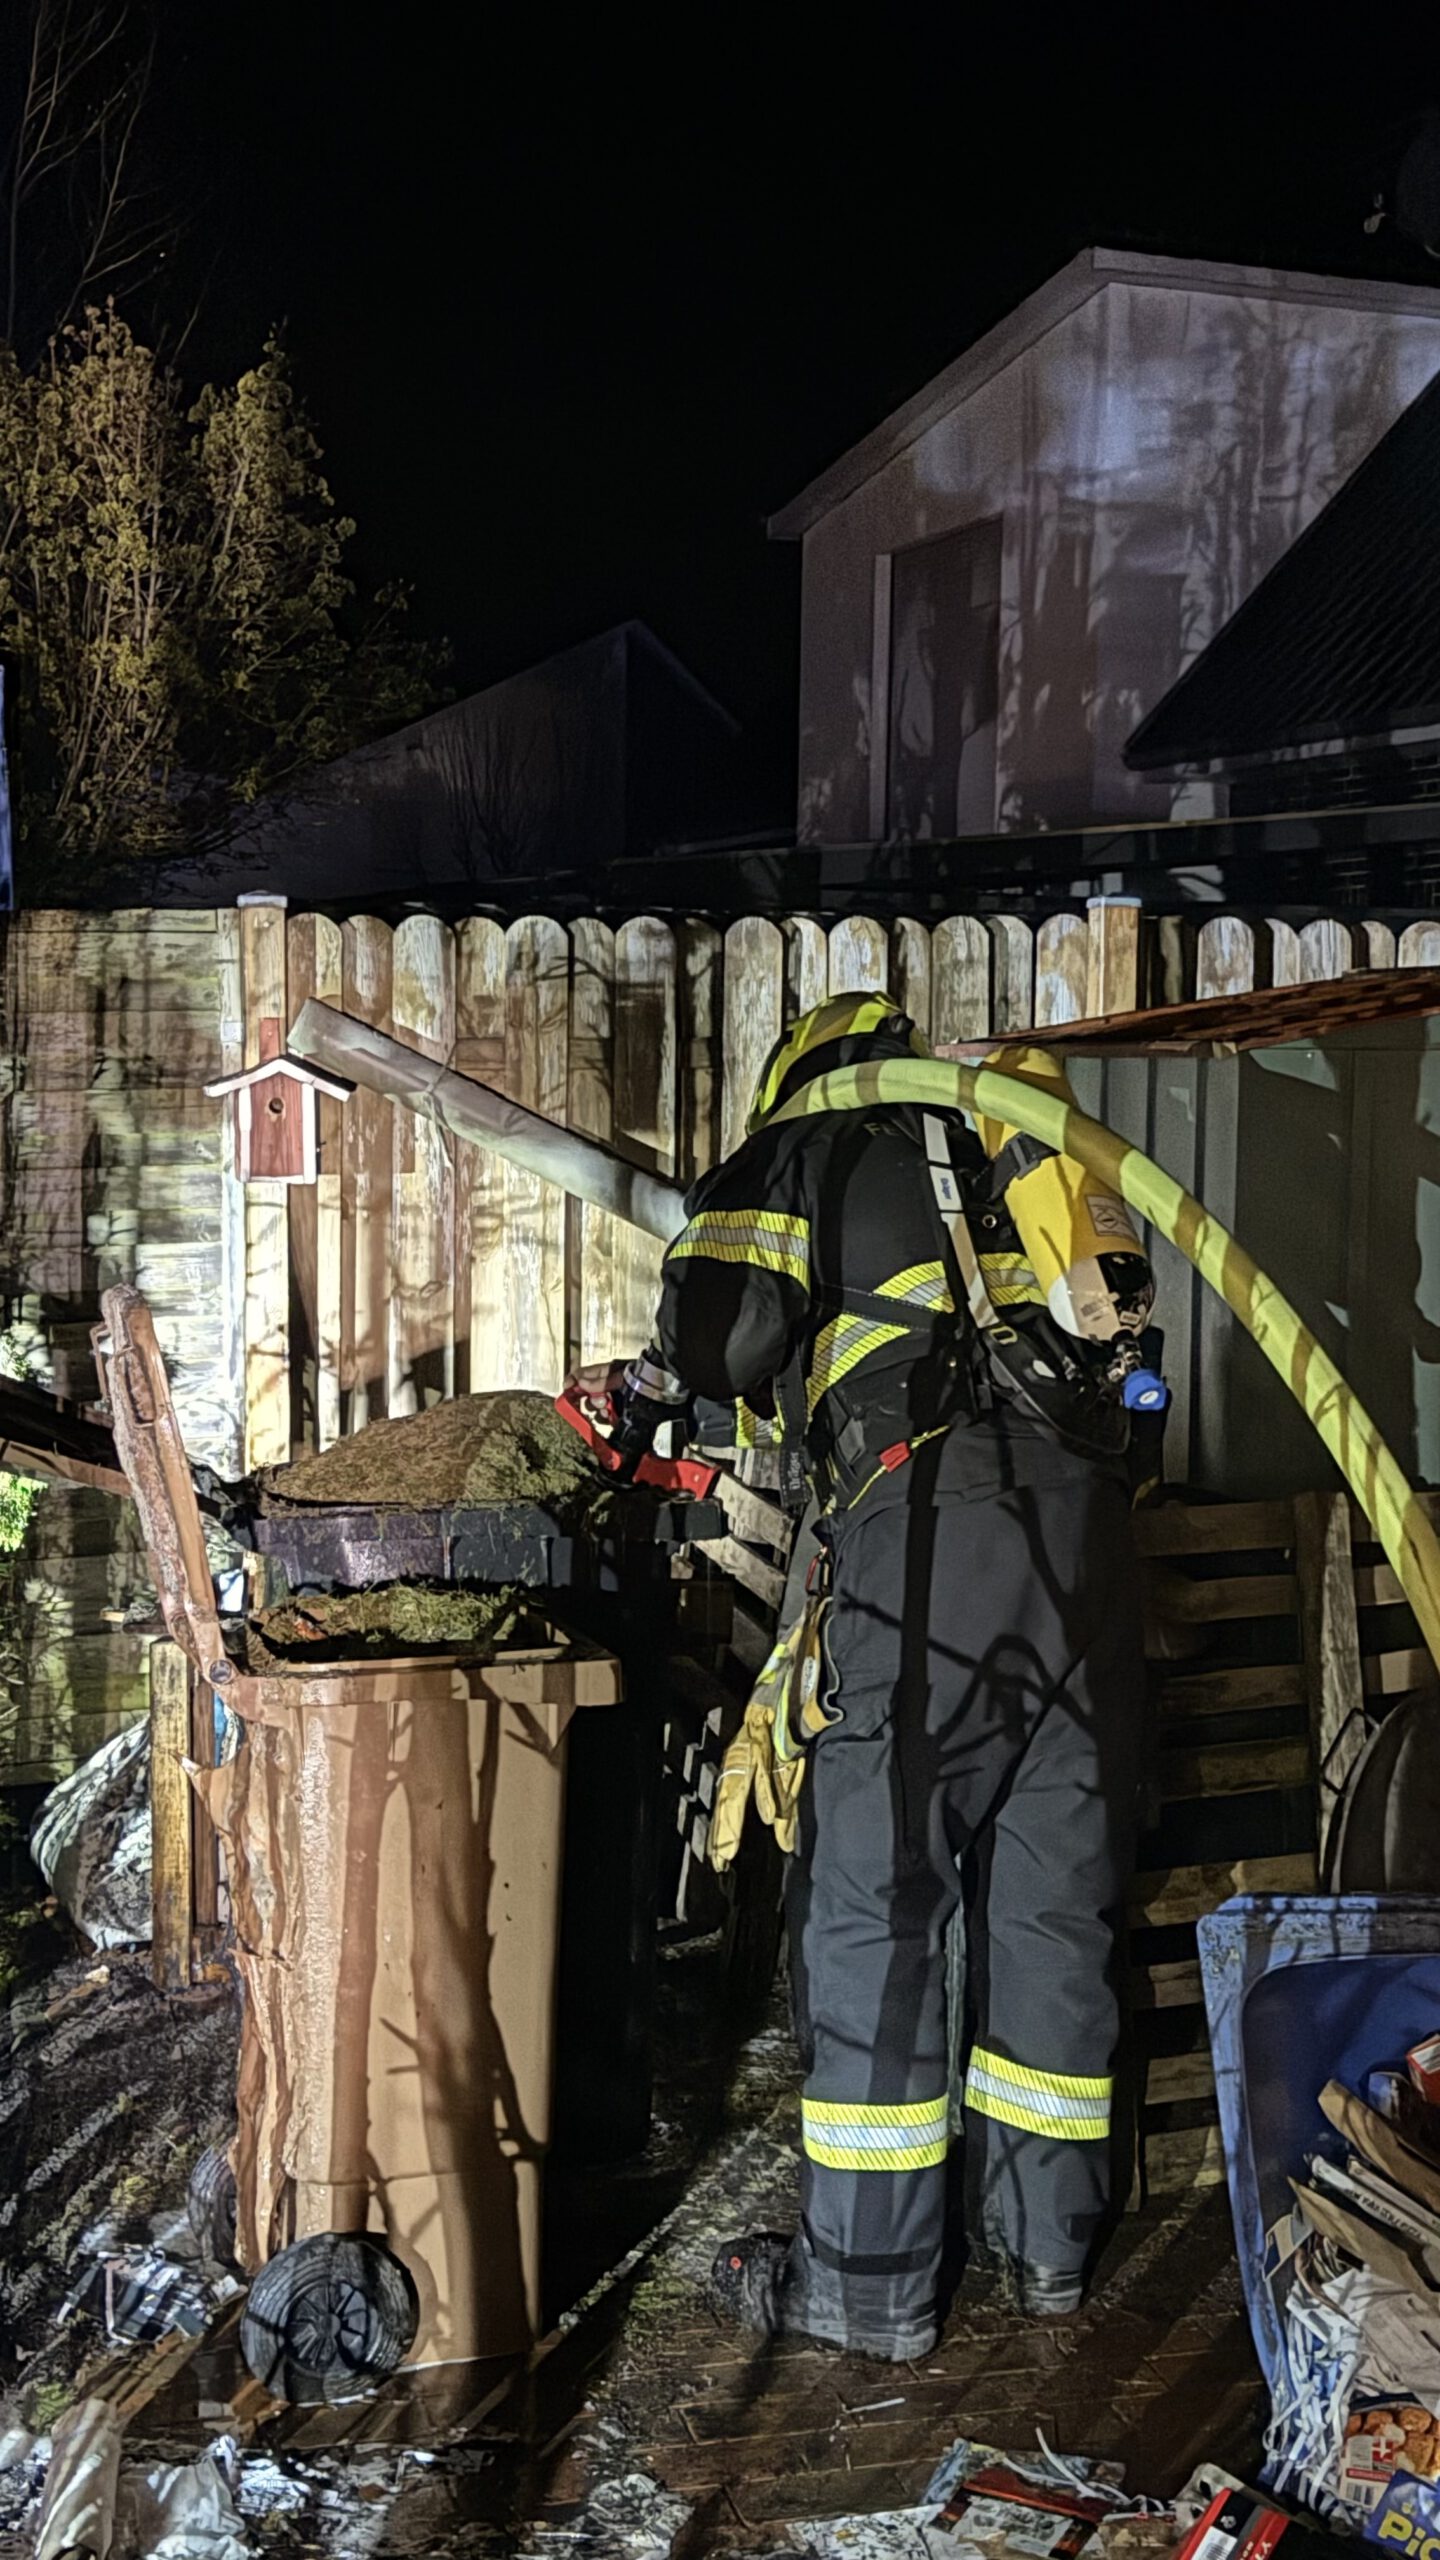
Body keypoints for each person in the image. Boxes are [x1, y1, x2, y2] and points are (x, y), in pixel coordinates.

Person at [570, 994, 1157, 2362]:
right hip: (1091, 1548)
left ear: (803, 1074)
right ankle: (1046, 2249)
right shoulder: (1010, 1144)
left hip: (934, 1537)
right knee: (1050, 1905)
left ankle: (870, 2284)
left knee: (876, 1903)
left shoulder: (813, 1141)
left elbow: (720, 1338)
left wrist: (663, 1370)